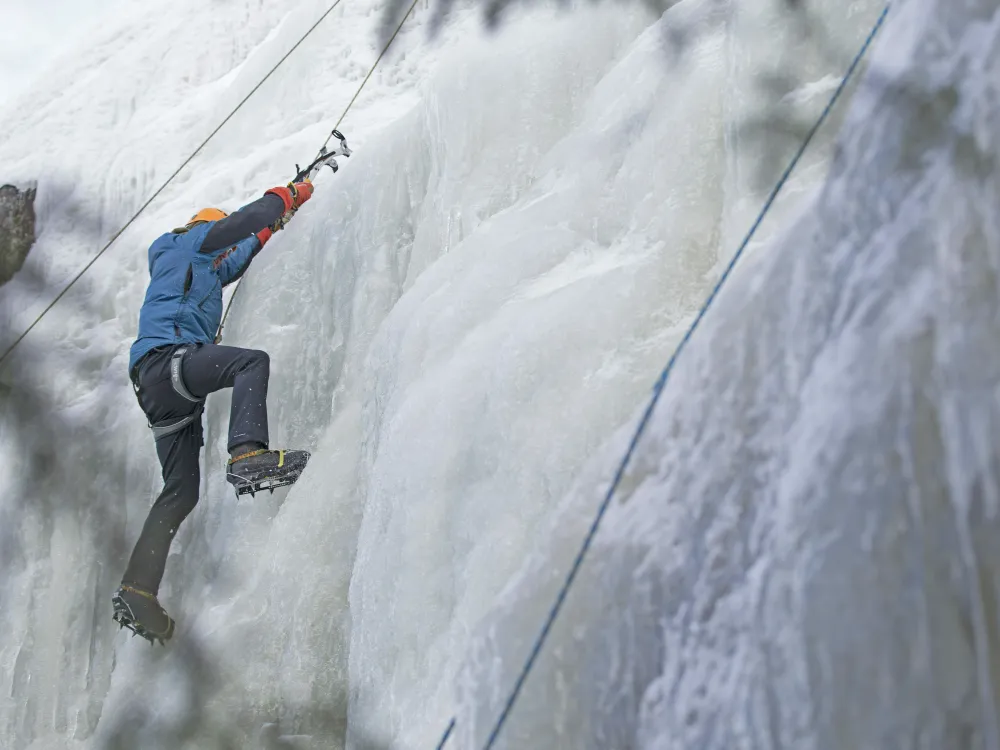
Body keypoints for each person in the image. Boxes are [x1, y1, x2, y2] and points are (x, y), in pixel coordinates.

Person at [112, 181, 315, 644]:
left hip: (159, 390)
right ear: (204, 228)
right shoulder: (185, 242)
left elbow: (239, 251)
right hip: (169, 362)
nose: (220, 252)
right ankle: (247, 455)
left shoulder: (201, 268)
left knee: (180, 491)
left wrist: (270, 230)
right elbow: (243, 222)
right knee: (251, 362)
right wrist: (287, 196)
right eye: (216, 240)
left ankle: (136, 590)